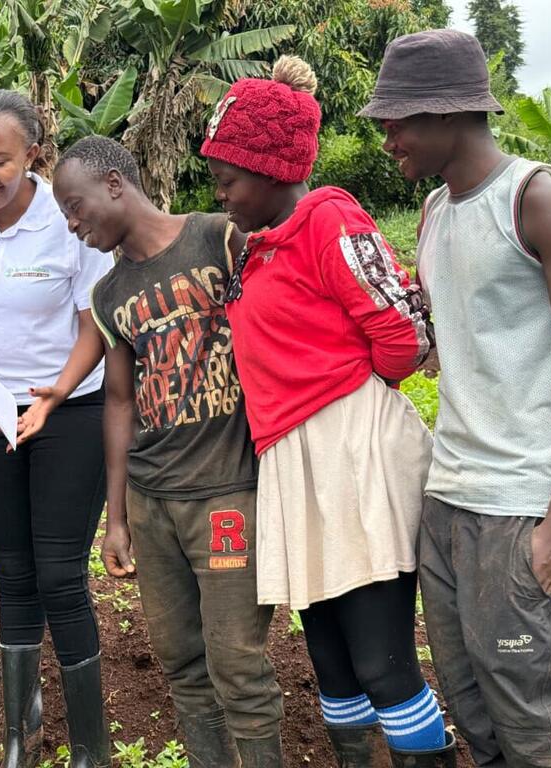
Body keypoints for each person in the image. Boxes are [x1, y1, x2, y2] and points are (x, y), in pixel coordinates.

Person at [200, 57, 456, 767]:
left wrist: (348, 397)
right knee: (332, 663)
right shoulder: (257, 247)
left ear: (275, 169)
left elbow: (400, 336)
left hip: (351, 456)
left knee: (382, 662)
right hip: (294, 461)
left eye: (229, 178)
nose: (220, 194)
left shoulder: (328, 218)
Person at [361, 29, 551, 768]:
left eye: (396, 122)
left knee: (539, 715)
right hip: (449, 502)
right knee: (471, 704)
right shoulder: (432, 212)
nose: (388, 139)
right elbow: (448, 345)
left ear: (447, 114)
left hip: (522, 505)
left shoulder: (538, 200)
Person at [51, 136, 285, 767]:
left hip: (229, 492)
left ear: (115, 184)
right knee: (182, 662)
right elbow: (120, 402)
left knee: (238, 664)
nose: (74, 226)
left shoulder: (219, 239)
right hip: (154, 503)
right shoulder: (109, 294)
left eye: (76, 207)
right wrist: (119, 518)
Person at [0, 89, 114, 768]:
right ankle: (20, 739)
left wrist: (56, 396)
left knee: (60, 575)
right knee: (12, 572)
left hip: (69, 414)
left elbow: (95, 324)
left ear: (33, 152)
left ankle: (92, 749)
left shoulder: (70, 220)